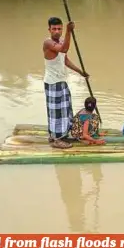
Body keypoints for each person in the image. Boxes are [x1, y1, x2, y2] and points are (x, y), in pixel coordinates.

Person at [43, 17, 90, 149]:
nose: (57, 31)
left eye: (60, 29)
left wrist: (80, 72)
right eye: (54, 29)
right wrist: (69, 31)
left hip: (62, 81)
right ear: (49, 30)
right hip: (53, 82)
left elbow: (65, 59)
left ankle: (60, 134)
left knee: (65, 109)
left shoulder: (62, 41)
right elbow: (63, 50)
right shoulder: (48, 42)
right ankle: (56, 139)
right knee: (56, 112)